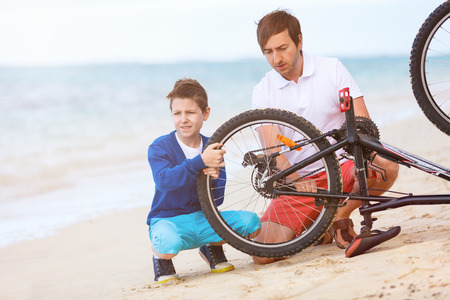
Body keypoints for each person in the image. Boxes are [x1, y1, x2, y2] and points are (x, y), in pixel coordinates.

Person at [251, 10, 399, 264]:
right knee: (262, 254)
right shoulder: (263, 91)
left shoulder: (332, 69)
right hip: (301, 183)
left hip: (344, 170)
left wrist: (360, 153)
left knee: (386, 164)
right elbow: (273, 152)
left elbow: (363, 125)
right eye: (268, 52)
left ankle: (338, 214)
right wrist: (296, 180)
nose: (276, 59)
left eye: (283, 48)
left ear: (299, 41)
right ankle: (318, 225)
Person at [147, 78, 261, 283]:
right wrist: (199, 162)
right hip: (169, 220)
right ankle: (161, 259)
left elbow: (217, 200)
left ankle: (211, 249)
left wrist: (213, 180)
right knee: (167, 242)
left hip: (204, 218)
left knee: (251, 223)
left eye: (190, 112)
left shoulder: (211, 147)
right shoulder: (159, 147)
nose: (183, 119)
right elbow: (164, 181)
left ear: (205, 113)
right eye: (177, 113)